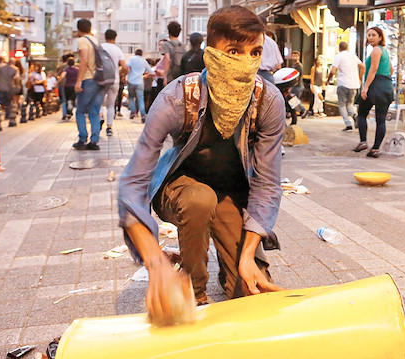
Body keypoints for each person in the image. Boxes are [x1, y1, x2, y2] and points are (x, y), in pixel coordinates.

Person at [118, 5, 286, 324]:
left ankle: (233, 267)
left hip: (231, 193)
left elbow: (267, 184)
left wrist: (249, 254)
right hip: (180, 187)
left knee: (250, 292)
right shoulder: (178, 97)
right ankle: (192, 288)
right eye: (233, 50)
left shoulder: (268, 100)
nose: (245, 62)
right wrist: (155, 264)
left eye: (255, 52)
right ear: (210, 53)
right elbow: (133, 184)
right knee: (199, 200)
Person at [352, 27, 394, 158]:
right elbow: (391, 69)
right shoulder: (385, 51)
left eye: (373, 35)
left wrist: (366, 87)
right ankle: (375, 148)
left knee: (362, 113)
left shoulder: (376, 50)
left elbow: (373, 69)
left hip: (375, 85)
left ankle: (363, 141)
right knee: (381, 120)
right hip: (386, 85)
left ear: (380, 37)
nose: (370, 37)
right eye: (369, 35)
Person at [74, 18, 105, 150]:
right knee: (94, 111)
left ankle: (82, 139)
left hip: (88, 79)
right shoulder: (95, 41)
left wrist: (79, 80)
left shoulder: (82, 41)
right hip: (100, 80)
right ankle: (94, 141)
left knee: (80, 111)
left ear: (79, 29)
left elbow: (84, 60)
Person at [327, 41, 365, 132]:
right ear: (347, 48)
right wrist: (359, 78)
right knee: (350, 104)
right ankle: (355, 115)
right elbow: (363, 66)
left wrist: (328, 80)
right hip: (354, 85)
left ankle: (348, 125)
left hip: (343, 84)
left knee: (342, 104)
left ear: (339, 48)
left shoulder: (338, 56)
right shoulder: (353, 56)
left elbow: (332, 71)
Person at [100, 29, 127, 136]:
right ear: (115, 38)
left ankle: (100, 116)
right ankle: (109, 127)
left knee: (100, 102)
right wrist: (120, 73)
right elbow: (125, 66)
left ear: (105, 37)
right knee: (111, 105)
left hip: (101, 79)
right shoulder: (117, 50)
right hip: (114, 79)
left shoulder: (100, 48)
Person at [127, 49, 154, 121]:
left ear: (135, 53)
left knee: (131, 97)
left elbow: (126, 67)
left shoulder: (131, 59)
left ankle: (133, 112)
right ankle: (143, 114)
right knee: (140, 99)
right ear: (142, 54)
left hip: (131, 81)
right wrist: (146, 75)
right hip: (140, 81)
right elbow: (151, 72)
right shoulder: (144, 61)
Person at [0, 56, 18, 122]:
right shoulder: (14, 69)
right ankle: (7, 115)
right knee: (8, 103)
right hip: (9, 88)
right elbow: (16, 78)